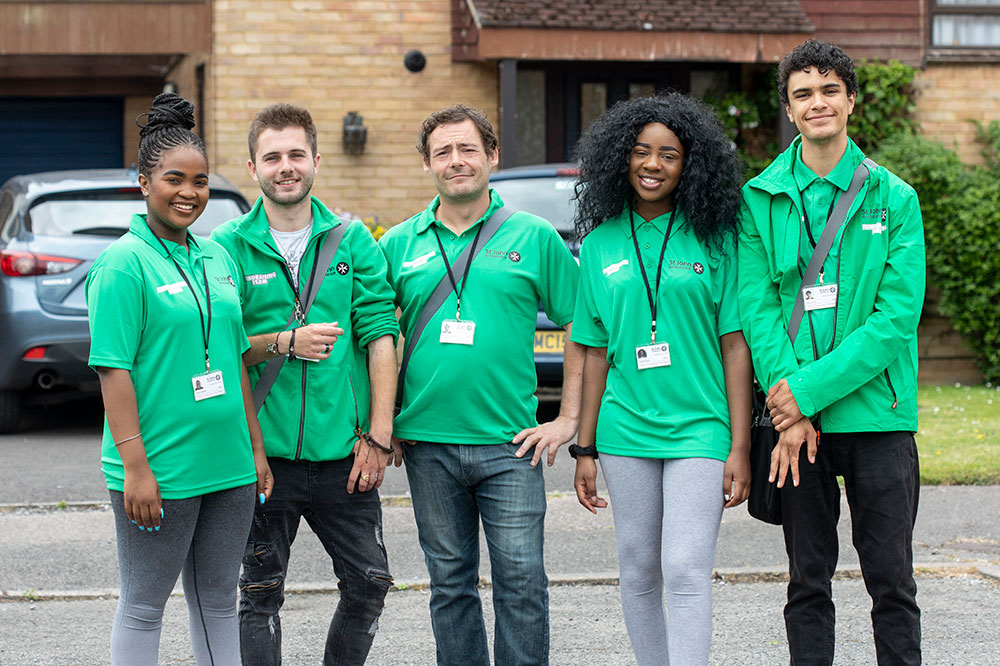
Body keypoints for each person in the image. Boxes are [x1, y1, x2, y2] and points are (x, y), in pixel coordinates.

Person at [738, 40, 925, 665]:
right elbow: (757, 307)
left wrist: (803, 395)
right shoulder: (758, 199)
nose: (816, 103)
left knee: (892, 584)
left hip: (878, 419)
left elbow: (895, 320)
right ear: (789, 110)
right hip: (800, 428)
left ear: (850, 99)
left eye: (827, 90)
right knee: (806, 584)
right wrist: (791, 409)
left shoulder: (894, 199)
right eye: (802, 94)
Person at [378, 104, 584, 666]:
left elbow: (584, 327)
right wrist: (381, 421)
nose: (456, 161)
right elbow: (371, 340)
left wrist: (566, 420)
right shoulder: (398, 243)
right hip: (427, 445)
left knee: (522, 583)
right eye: (442, 152)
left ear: (492, 156)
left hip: (511, 444)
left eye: (467, 148)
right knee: (449, 585)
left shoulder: (534, 236)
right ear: (427, 164)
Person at [86, 92, 273, 666]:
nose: (189, 193)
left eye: (199, 181)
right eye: (174, 179)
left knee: (218, 601)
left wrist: (257, 451)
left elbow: (234, 357)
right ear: (144, 182)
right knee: (145, 605)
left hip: (230, 464)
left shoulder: (215, 257)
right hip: (160, 468)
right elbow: (113, 372)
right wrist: (136, 469)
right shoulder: (123, 265)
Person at [211, 103, 399, 665]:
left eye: (296, 154)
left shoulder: (351, 239)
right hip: (263, 458)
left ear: (316, 160)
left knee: (370, 582)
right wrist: (283, 342)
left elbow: (380, 336)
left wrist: (379, 436)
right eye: (272, 157)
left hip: (345, 453)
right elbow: (225, 349)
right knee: (260, 594)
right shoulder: (226, 245)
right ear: (253, 167)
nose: (285, 167)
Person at [569, 93, 750, 665]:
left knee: (686, 567)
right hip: (625, 432)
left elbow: (735, 346)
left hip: (700, 427)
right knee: (639, 568)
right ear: (621, 158)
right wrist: (585, 448)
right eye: (641, 152)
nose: (653, 165)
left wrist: (740, 446)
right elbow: (594, 352)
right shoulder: (598, 246)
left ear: (689, 165)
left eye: (669, 155)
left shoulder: (716, 239)